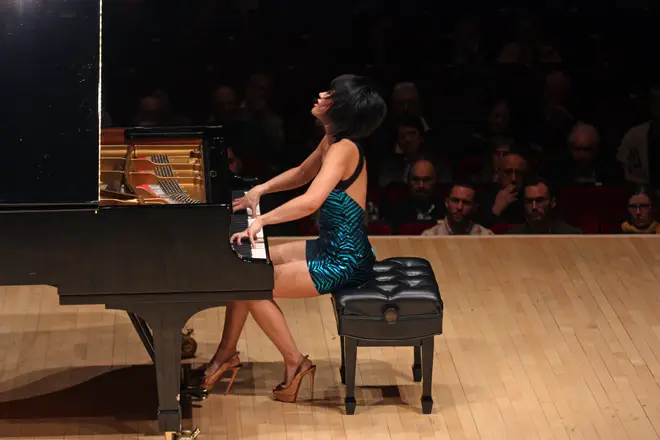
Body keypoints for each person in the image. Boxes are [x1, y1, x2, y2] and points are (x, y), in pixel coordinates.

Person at [201, 74, 387, 403]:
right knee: (245, 268)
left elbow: (311, 201)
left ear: (340, 108)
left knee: (250, 283)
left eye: (329, 93)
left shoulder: (344, 149)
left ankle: (295, 363)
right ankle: (226, 355)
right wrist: (261, 189)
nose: (320, 94)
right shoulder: (333, 139)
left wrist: (261, 220)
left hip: (344, 260)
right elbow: (302, 173)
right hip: (329, 246)